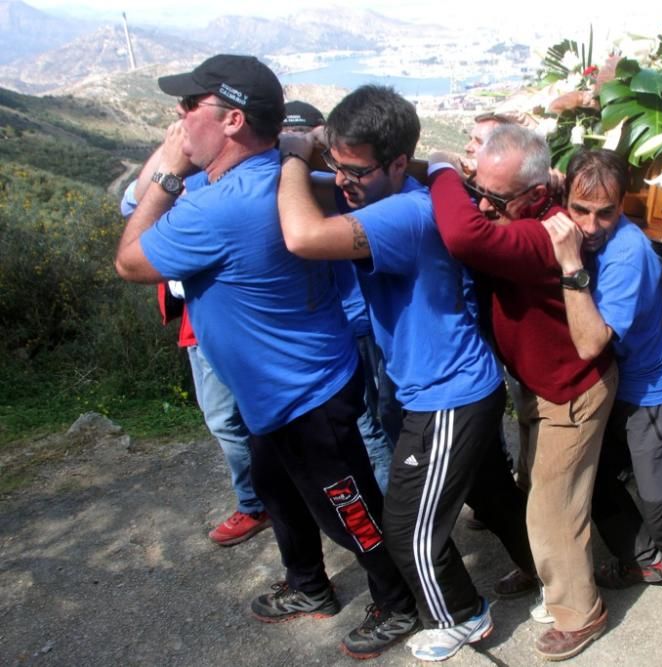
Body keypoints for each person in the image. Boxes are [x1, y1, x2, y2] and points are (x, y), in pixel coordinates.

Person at [113, 54, 415, 660]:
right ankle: (309, 585)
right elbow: (132, 203)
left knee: (346, 507)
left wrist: (170, 170)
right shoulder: (270, 174)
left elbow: (130, 255)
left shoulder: (220, 206)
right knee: (278, 493)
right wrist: (184, 164)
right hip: (280, 389)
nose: (176, 118)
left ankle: (400, 599)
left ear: (230, 122)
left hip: (303, 395)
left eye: (188, 107)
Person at [277, 84, 535, 662]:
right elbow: (330, 189)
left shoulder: (404, 214)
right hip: (454, 385)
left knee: (409, 526)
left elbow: (302, 235)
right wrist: (326, 163)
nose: (342, 181)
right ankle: (550, 569)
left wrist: (297, 153)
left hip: (449, 397)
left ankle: (461, 615)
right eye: (334, 165)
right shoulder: (391, 192)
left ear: (396, 163)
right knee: (492, 497)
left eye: (355, 171)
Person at [429, 125, 619, 661]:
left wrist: (442, 167)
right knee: (533, 486)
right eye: (476, 190)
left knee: (553, 511)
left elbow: (465, 236)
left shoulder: (546, 235)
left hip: (573, 392)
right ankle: (547, 570)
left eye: (492, 198)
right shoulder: (530, 210)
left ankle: (580, 613)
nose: (481, 206)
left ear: (534, 196)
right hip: (540, 386)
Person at [540, 148, 662, 589]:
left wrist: (569, 264)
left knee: (661, 499)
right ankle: (643, 557)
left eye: (605, 213)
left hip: (644, 394)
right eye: (579, 210)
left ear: (623, 206)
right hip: (607, 386)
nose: (589, 225)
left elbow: (591, 342)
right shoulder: (583, 226)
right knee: (594, 480)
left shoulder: (625, 253)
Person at [119, 161, 269, 548]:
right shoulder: (196, 182)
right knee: (243, 416)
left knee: (225, 417)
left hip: (214, 322)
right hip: (202, 320)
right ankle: (270, 497)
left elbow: (131, 251)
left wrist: (175, 185)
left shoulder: (214, 187)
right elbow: (128, 203)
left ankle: (257, 504)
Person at [281, 100, 397, 494]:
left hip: (366, 319)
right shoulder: (312, 188)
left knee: (383, 419)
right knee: (374, 420)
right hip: (346, 323)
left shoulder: (340, 186)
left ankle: (401, 511)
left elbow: (305, 237)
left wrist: (300, 155)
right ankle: (398, 504)